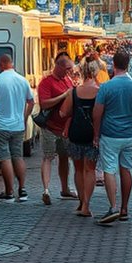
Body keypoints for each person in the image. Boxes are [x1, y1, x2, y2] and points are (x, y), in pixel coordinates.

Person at [92, 49, 132, 225]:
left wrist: (96, 134)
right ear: (128, 65)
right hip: (130, 135)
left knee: (109, 169)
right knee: (126, 170)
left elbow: (97, 113)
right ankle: (125, 208)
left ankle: (114, 206)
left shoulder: (106, 87)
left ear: (113, 65)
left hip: (110, 135)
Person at [0, 54, 35, 202]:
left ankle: (9, 192)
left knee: (4, 158)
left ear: (0, 64)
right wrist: (24, 118)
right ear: (11, 64)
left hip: (0, 126)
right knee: (17, 156)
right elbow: (31, 102)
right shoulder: (22, 80)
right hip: (18, 125)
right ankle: (23, 190)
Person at [59, 60, 101, 218]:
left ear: (82, 72)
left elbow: (63, 113)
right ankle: (86, 205)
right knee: (90, 169)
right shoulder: (100, 91)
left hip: (76, 133)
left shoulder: (73, 92)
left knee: (77, 169)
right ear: (96, 72)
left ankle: (81, 201)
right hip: (93, 134)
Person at [36, 52, 77, 205]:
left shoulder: (67, 80)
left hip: (64, 127)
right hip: (50, 127)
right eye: (67, 68)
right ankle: (46, 190)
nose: (69, 71)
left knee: (65, 158)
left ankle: (65, 188)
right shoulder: (46, 82)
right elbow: (44, 103)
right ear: (58, 65)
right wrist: (63, 96)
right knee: (48, 156)